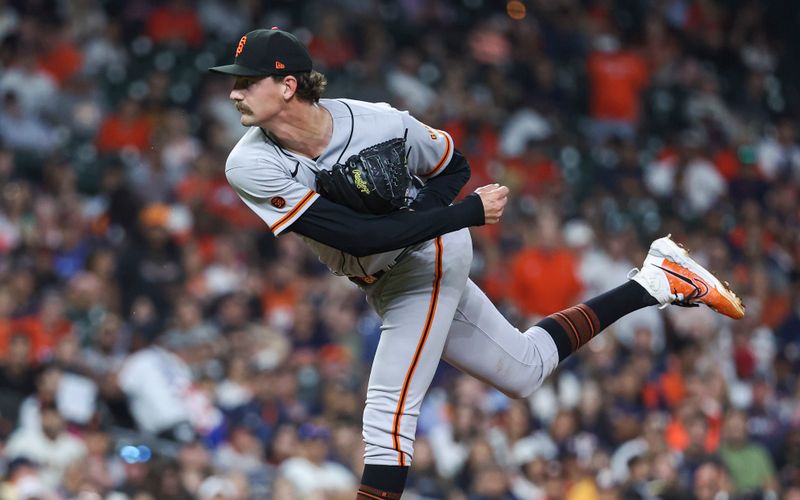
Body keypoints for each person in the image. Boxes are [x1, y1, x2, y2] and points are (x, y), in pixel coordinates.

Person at [209, 27, 745, 499]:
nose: (233, 91)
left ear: (287, 85)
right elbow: (356, 234)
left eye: (246, 80)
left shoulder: (377, 121)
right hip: (386, 265)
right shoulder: (250, 162)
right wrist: (460, 212)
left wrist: (435, 209)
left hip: (428, 255)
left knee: (388, 411)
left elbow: (450, 163)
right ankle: (655, 280)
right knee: (524, 371)